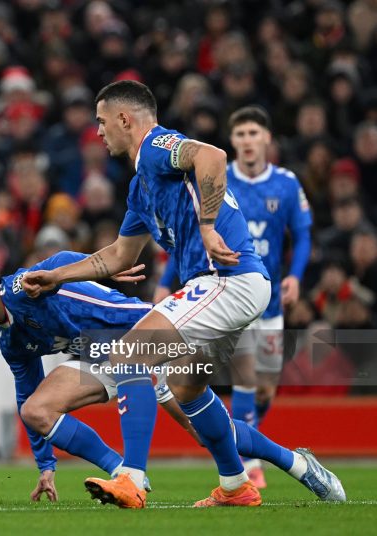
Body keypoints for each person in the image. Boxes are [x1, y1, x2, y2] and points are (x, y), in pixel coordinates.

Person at [22, 80, 344, 508]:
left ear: (124, 119)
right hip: (224, 288)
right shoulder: (140, 186)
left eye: (101, 122)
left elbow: (212, 156)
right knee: (186, 389)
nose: (97, 132)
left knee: (130, 355)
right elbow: (120, 255)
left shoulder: (158, 145)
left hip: (227, 279)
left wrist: (208, 226)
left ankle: (132, 478)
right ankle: (251, 480)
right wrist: (58, 276)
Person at [0, 252, 347, 507]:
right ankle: (126, 471)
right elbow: (25, 392)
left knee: (203, 431)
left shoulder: (22, 287)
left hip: (148, 332)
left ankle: (295, 462)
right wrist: (45, 464)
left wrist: (102, 264)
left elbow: (58, 261)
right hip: (103, 352)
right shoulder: (9, 339)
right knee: (36, 409)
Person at [156, 106, 313, 488]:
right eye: (240, 134)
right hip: (228, 289)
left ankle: (247, 434)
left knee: (264, 385)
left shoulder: (287, 184)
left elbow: (303, 235)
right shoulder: (219, 180)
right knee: (245, 376)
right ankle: (246, 465)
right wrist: (166, 279)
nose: (246, 141)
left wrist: (295, 277)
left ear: (267, 140)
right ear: (233, 142)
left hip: (270, 298)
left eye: (253, 134)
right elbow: (191, 238)